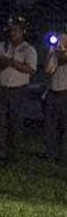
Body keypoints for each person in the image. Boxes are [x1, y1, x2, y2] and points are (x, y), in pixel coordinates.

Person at [0, 15, 37, 161]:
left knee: (15, 121)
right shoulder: (0, 46)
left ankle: (14, 153)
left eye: (17, 31)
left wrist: (12, 63)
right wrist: (1, 63)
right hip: (0, 89)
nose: (13, 34)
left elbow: (31, 69)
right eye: (12, 31)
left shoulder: (28, 50)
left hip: (18, 90)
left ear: (23, 32)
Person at [42, 32, 67, 163]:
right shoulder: (53, 54)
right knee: (50, 125)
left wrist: (62, 52)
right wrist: (52, 51)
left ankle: (63, 154)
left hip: (65, 92)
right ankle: (50, 153)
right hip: (52, 92)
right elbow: (48, 70)